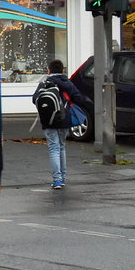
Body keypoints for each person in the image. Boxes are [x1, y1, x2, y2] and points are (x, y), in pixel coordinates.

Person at [35, 59, 91, 190]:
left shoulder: (44, 83)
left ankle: (57, 180)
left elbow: (34, 99)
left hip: (48, 120)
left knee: (53, 148)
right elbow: (79, 98)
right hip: (64, 119)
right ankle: (63, 177)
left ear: (49, 70)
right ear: (62, 70)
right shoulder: (67, 83)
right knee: (61, 147)